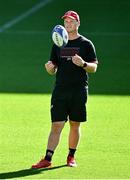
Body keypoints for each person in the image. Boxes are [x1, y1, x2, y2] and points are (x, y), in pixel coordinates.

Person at [32, 10, 98, 169]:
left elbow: (94, 67)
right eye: (66, 22)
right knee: (56, 125)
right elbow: (53, 67)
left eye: (71, 21)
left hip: (79, 90)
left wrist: (83, 63)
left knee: (75, 124)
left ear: (78, 24)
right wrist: (49, 68)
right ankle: (47, 159)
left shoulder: (86, 44)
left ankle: (71, 157)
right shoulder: (58, 43)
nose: (68, 24)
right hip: (60, 90)